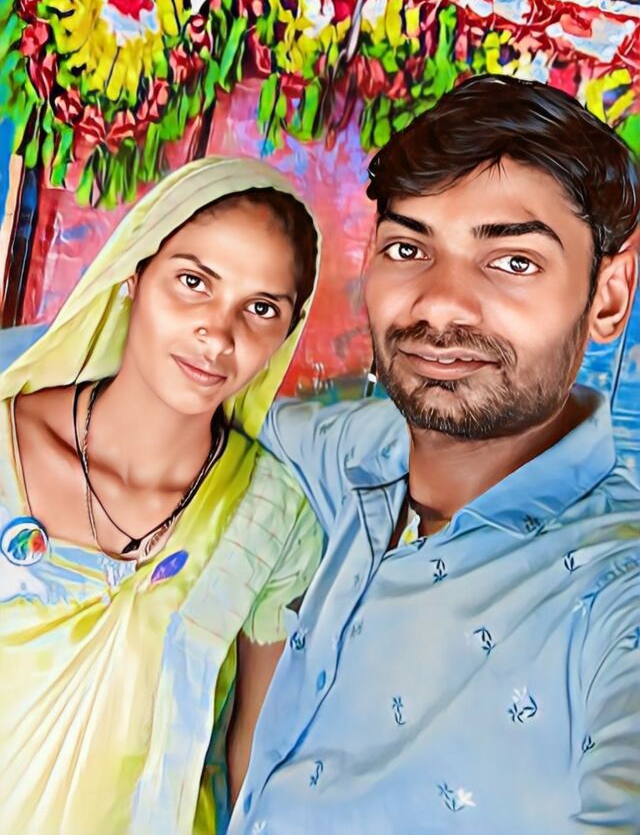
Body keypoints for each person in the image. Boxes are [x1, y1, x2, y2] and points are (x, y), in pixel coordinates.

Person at [228, 76, 640, 833]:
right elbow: (192, 397)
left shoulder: (619, 590)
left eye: (513, 261)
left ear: (608, 296)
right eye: (408, 247)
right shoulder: (360, 450)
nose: (441, 302)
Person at [0, 157, 324, 835]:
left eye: (261, 308)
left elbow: (253, 757)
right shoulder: (8, 443)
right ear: (134, 276)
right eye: (193, 282)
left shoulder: (272, 514)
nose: (219, 333)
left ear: (285, 334)